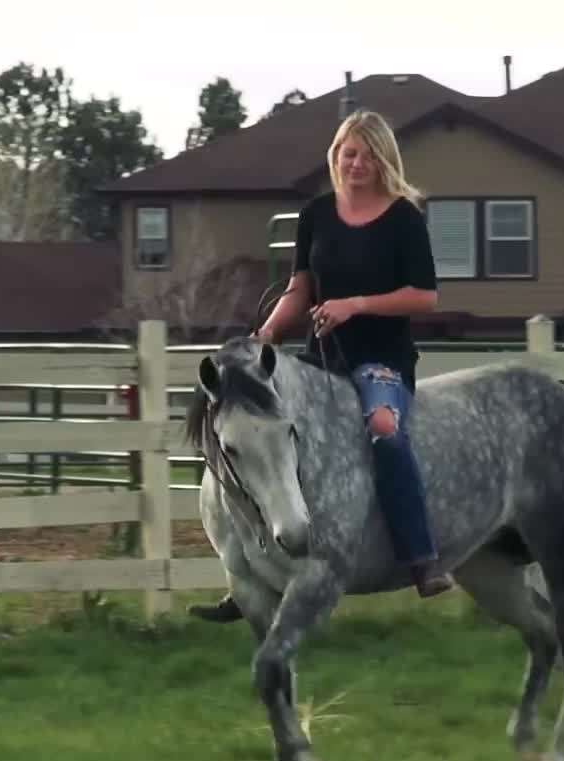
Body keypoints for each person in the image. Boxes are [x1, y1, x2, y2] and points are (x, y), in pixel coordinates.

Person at [189, 109, 452, 623]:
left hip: (380, 362)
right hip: (321, 359)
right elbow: (299, 291)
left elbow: (424, 297)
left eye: (368, 155)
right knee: (255, 432)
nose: (357, 164)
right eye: (348, 153)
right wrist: (265, 334)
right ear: (336, 155)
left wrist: (355, 304)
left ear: (383, 162)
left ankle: (421, 557)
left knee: (385, 432)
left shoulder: (404, 218)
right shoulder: (316, 215)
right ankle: (246, 569)